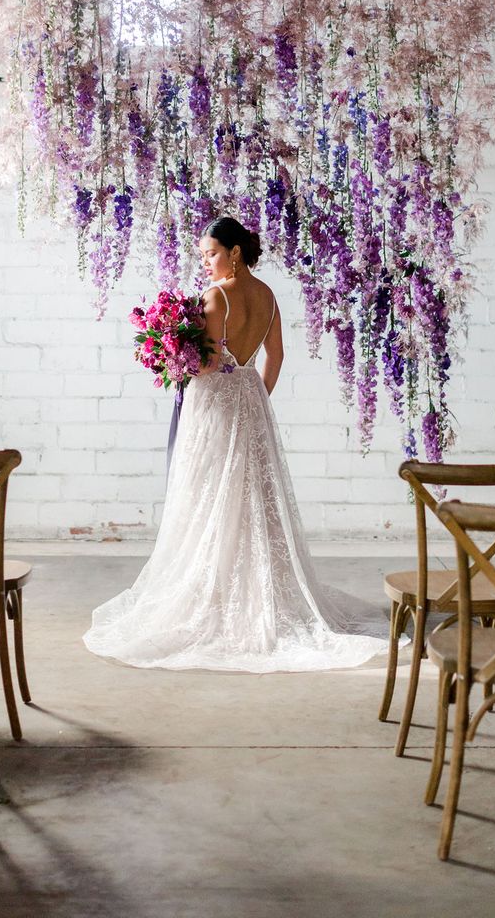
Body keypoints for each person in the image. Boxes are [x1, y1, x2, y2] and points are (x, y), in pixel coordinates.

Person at [83, 216, 392, 671]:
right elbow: (276, 355)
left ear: (235, 252)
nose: (205, 262)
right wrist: (254, 396)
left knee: (207, 495)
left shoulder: (216, 297)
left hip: (213, 407)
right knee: (249, 498)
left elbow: (206, 364)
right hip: (249, 402)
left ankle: (219, 594)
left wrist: (171, 355)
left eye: (210, 253)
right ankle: (253, 588)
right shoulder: (267, 296)